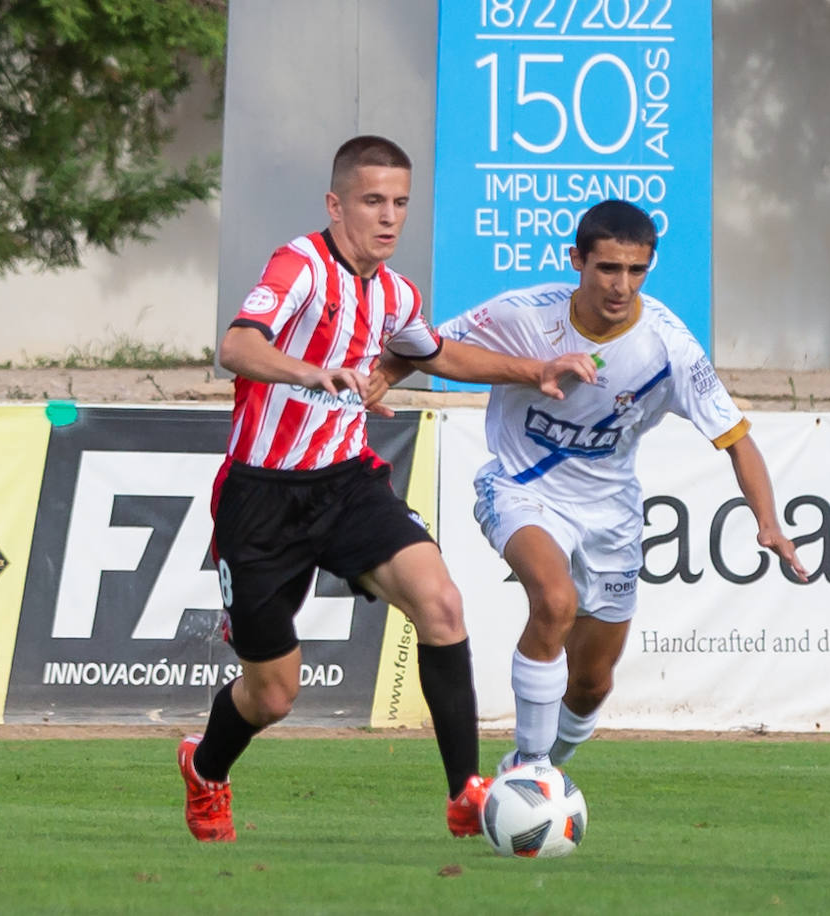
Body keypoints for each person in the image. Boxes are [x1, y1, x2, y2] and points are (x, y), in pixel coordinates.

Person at [178, 135, 596, 843]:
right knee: (274, 694)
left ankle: (466, 792)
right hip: (261, 498)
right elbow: (236, 345)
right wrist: (312, 373)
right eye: (373, 200)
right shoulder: (300, 265)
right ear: (335, 203)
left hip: (346, 483)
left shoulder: (396, 292)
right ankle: (206, 769)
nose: (389, 216)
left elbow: (430, 350)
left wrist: (534, 370)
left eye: (400, 202)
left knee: (441, 603)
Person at [370, 199, 807, 773]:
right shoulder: (523, 315)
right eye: (607, 268)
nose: (621, 285)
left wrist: (767, 521)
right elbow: (427, 347)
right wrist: (377, 380)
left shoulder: (668, 347)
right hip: (520, 486)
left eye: (636, 271)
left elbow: (736, 438)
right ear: (576, 259)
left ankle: (550, 763)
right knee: (553, 601)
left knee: (591, 685)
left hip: (610, 514)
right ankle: (528, 770)